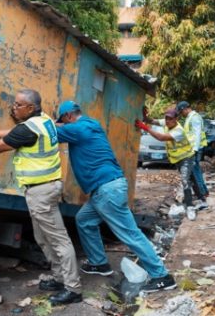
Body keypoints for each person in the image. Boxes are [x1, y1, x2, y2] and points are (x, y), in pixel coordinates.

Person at [0, 89, 82, 305]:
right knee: (43, 237)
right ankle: (59, 277)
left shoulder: (29, 129)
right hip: (45, 188)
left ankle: (73, 289)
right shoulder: (42, 120)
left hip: (41, 191)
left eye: (18, 105)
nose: (13, 108)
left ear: (31, 108)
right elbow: (11, 133)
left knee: (59, 240)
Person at [57, 101, 176, 293]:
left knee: (130, 233)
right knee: (84, 220)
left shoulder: (77, 129)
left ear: (69, 116)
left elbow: (48, 132)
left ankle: (162, 276)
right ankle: (99, 263)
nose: (64, 124)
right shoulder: (89, 124)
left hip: (107, 190)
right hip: (105, 188)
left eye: (63, 120)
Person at [136, 109, 198, 219]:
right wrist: (145, 116)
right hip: (178, 158)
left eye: (170, 119)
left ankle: (190, 207)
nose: (168, 121)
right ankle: (202, 197)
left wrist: (145, 128)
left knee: (185, 180)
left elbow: (161, 137)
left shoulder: (178, 130)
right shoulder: (166, 122)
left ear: (176, 119)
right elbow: (153, 121)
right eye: (166, 118)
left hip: (186, 157)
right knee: (190, 178)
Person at [176, 101, 209, 209]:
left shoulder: (194, 118)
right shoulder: (190, 117)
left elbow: (197, 133)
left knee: (194, 172)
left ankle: (202, 193)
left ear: (186, 108)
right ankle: (203, 192)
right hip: (192, 148)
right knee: (196, 171)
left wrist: (194, 149)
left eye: (181, 111)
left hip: (195, 149)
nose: (181, 114)